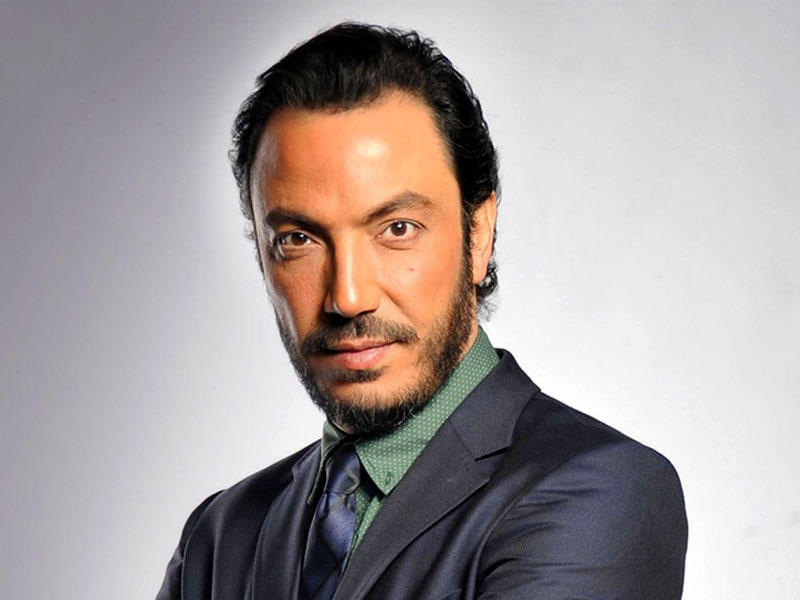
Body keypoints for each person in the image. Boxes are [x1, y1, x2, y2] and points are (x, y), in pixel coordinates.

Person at [156, 22, 688, 600]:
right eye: (298, 239)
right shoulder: (220, 536)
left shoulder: (596, 490)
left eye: (397, 229)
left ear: (478, 235)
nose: (347, 296)